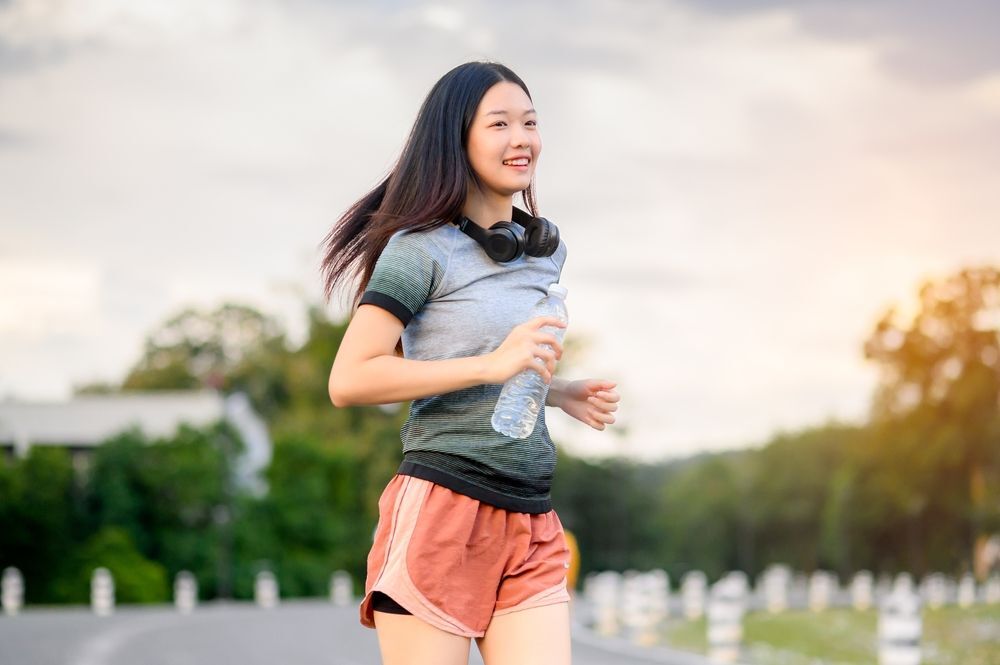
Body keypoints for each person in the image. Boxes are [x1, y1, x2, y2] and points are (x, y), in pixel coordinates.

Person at [319, 60, 621, 665]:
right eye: (500, 124)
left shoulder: (545, 252)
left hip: (531, 516)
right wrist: (492, 365)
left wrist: (555, 391)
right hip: (443, 512)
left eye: (530, 123)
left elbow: (502, 361)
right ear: (457, 139)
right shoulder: (419, 251)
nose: (521, 139)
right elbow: (351, 379)